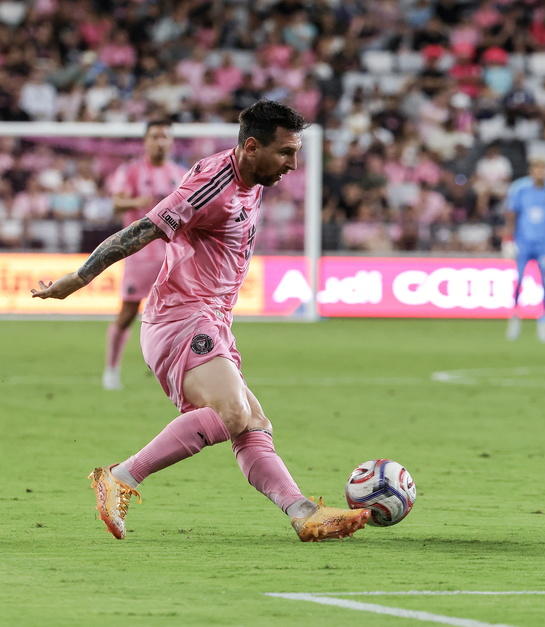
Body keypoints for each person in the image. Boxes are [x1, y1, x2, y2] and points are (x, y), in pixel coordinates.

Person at [31, 100, 370, 542]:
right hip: (180, 316)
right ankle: (120, 477)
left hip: (210, 318)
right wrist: (76, 279)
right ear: (251, 147)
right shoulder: (212, 185)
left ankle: (303, 512)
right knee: (230, 412)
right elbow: (140, 231)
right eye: (286, 152)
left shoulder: (254, 177)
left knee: (253, 423)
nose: (293, 163)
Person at [102, 119, 187, 390]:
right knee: (128, 312)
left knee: (183, 314)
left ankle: (179, 372)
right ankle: (111, 370)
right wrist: (138, 202)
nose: (160, 141)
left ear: (171, 141)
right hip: (139, 254)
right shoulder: (131, 171)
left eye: (164, 136)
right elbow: (116, 203)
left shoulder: (181, 174)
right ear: (146, 141)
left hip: (174, 254)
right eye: (155, 136)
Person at [502, 157, 545, 343]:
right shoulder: (520, 189)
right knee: (519, 280)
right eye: (537, 169)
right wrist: (508, 239)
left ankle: (543, 323)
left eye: (543, 169)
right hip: (524, 242)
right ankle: (514, 318)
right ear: (532, 171)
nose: (540, 173)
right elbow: (512, 215)